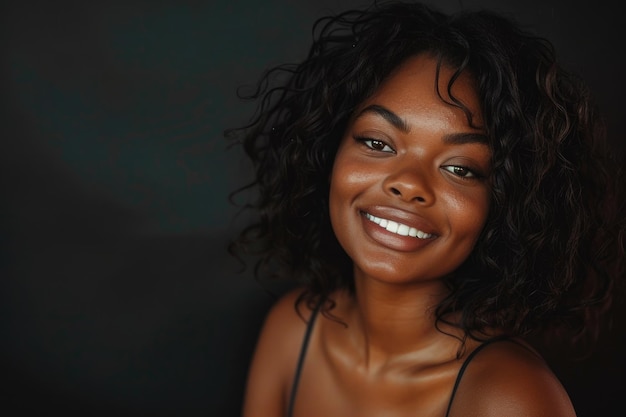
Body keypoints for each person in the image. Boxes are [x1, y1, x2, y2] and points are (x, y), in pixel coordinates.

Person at [226, 1, 625, 416]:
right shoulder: (293, 328)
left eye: (460, 168)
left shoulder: (510, 398)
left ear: (505, 203)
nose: (409, 184)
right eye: (377, 143)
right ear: (328, 152)